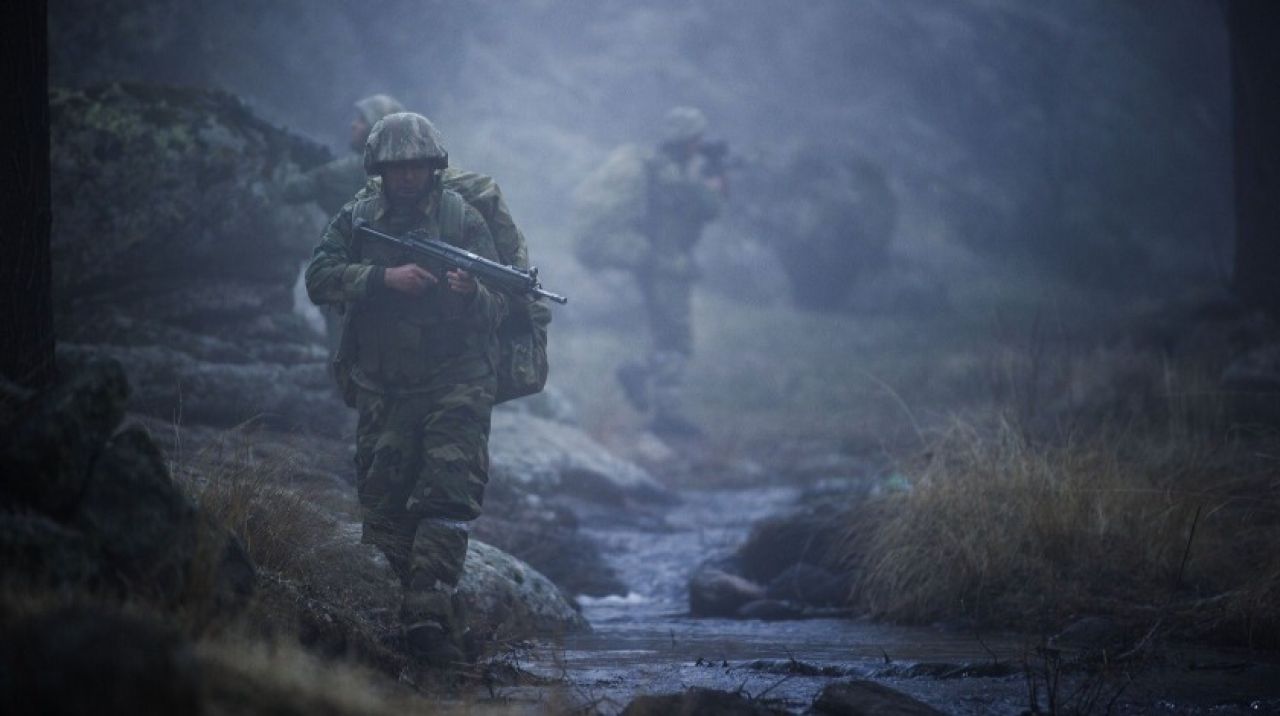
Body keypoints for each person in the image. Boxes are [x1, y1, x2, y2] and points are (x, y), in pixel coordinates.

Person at [304, 112, 506, 666]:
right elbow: (319, 278)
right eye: (398, 168)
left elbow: (501, 306)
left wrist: (470, 294)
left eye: (418, 166)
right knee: (384, 506)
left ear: (433, 167)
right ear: (380, 169)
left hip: (456, 381)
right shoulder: (359, 216)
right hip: (385, 384)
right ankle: (405, 610)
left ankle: (427, 614)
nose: (409, 177)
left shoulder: (461, 219)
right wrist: (381, 279)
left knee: (447, 493)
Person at [572, 106, 726, 437]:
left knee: (666, 337)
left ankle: (661, 406)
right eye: (696, 140)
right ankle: (657, 401)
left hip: (654, 263)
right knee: (676, 340)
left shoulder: (659, 168)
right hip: (666, 266)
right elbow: (709, 208)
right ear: (688, 141)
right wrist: (715, 182)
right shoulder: (672, 175)